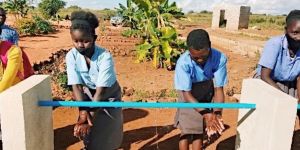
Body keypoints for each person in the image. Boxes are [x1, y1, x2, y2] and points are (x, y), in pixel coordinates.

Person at [66, 10, 123, 150]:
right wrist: (83, 112)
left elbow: (101, 91)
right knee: (89, 134)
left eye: (86, 41)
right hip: (87, 94)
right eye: (76, 41)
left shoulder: (105, 57)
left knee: (109, 130)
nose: (80, 45)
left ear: (94, 38)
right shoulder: (71, 56)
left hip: (108, 94)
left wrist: (87, 119)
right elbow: (76, 87)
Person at [174, 29, 227, 150]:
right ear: (189, 51)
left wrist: (217, 113)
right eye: (195, 58)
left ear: (210, 46)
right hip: (188, 94)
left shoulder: (219, 58)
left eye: (203, 56)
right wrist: (205, 113)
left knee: (198, 131)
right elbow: (187, 94)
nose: (200, 60)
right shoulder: (183, 63)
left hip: (206, 90)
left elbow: (218, 89)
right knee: (186, 131)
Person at [255, 10, 300, 120]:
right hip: (269, 82)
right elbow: (264, 76)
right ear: (286, 30)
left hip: (291, 83)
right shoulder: (274, 44)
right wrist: (286, 98)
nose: (299, 37)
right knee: (274, 114)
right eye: (294, 32)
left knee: (292, 113)